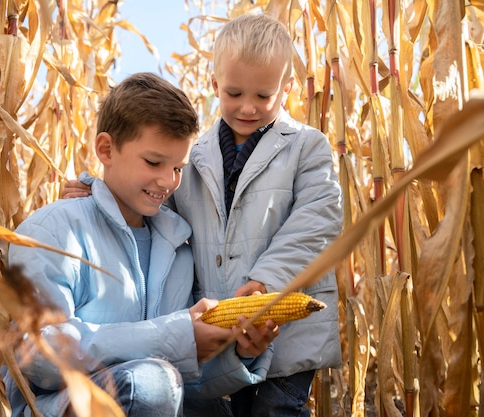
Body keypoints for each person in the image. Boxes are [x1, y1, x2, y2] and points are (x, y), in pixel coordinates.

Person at [62, 14, 343, 417]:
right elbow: (156, 206)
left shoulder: (306, 147)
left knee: (276, 409)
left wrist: (267, 280)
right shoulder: (191, 158)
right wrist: (98, 189)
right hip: (224, 325)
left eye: (263, 96)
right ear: (214, 86)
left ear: (287, 89)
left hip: (288, 323)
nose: (247, 106)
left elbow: (317, 220)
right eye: (234, 93)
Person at [3, 72, 279, 417]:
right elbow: (40, 355)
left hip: (156, 398)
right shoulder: (53, 232)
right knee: (151, 384)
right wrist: (175, 335)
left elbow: (187, 382)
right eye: (153, 162)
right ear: (106, 149)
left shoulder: (178, 247)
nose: (168, 181)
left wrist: (237, 350)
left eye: (178, 167)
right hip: (63, 406)